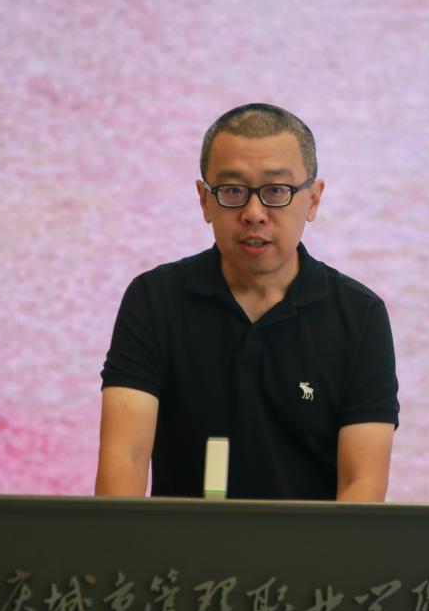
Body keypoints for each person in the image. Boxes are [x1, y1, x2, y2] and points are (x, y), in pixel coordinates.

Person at [95, 103, 398, 501]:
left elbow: (363, 483)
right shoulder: (154, 300)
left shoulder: (359, 316)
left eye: (276, 191)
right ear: (205, 200)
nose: (254, 213)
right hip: (179, 542)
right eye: (233, 191)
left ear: (313, 199)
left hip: (313, 542)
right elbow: (126, 458)